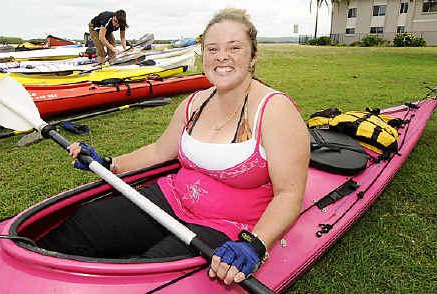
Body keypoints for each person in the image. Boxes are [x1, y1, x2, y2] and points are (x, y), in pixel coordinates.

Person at [39, 8, 309, 286]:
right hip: (171, 198)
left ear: (253, 57)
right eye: (212, 48)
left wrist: (255, 244)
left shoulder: (275, 110)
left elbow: (288, 195)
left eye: (235, 47)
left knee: (148, 273)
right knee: (87, 222)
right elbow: (159, 151)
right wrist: (110, 163)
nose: (222, 56)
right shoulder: (193, 104)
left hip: (227, 223)